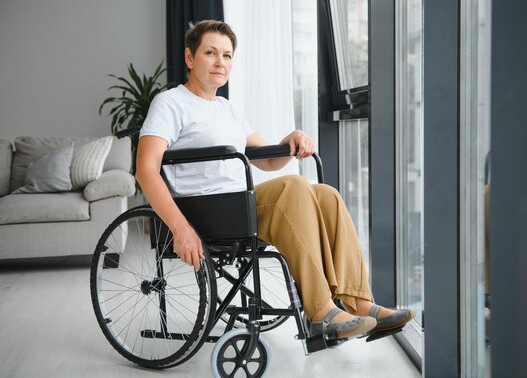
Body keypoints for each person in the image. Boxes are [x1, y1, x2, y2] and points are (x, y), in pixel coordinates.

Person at [135, 20, 415, 340]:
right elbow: (145, 169)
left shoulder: (226, 108)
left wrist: (290, 141)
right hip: (205, 209)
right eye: (210, 53)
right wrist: (180, 228)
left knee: (326, 194)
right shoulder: (170, 103)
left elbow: (267, 160)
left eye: (227, 56)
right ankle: (321, 310)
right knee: (294, 186)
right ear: (190, 58)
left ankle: (361, 302)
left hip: (238, 203)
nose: (219, 63)